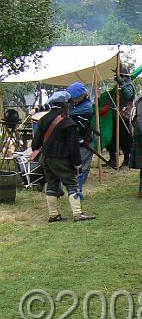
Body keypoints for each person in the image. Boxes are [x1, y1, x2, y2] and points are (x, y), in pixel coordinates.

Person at [32, 91, 96, 222]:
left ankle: (53, 215)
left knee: (51, 184)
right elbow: (73, 147)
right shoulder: (68, 122)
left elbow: (35, 144)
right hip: (60, 158)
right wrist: (78, 164)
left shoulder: (43, 120)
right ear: (65, 104)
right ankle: (78, 213)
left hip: (46, 158)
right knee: (72, 184)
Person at [66, 82, 95, 198]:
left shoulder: (86, 108)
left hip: (84, 142)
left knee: (82, 168)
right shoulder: (73, 106)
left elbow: (77, 128)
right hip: (73, 141)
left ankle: (78, 192)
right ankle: (73, 190)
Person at [108, 63, 136, 168]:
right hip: (116, 115)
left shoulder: (129, 85)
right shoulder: (120, 84)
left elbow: (128, 96)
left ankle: (127, 161)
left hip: (124, 115)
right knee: (113, 138)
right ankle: (113, 160)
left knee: (125, 139)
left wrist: (122, 83)